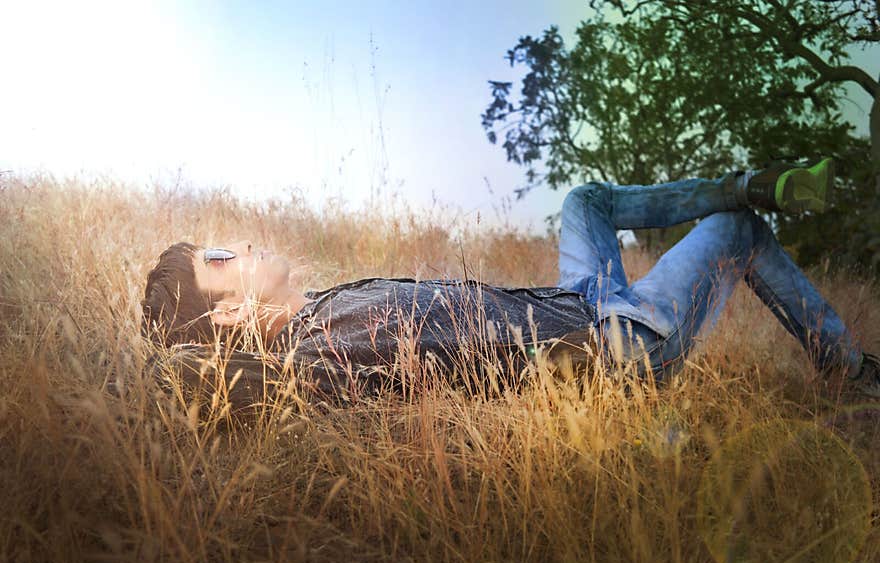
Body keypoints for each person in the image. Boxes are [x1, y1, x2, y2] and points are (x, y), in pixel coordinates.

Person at [141, 158, 880, 405]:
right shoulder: (325, 342)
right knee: (738, 233)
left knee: (582, 201)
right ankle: (848, 369)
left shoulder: (332, 305)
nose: (235, 243)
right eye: (217, 261)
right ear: (233, 316)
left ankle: (751, 181)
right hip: (615, 343)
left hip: (579, 301)